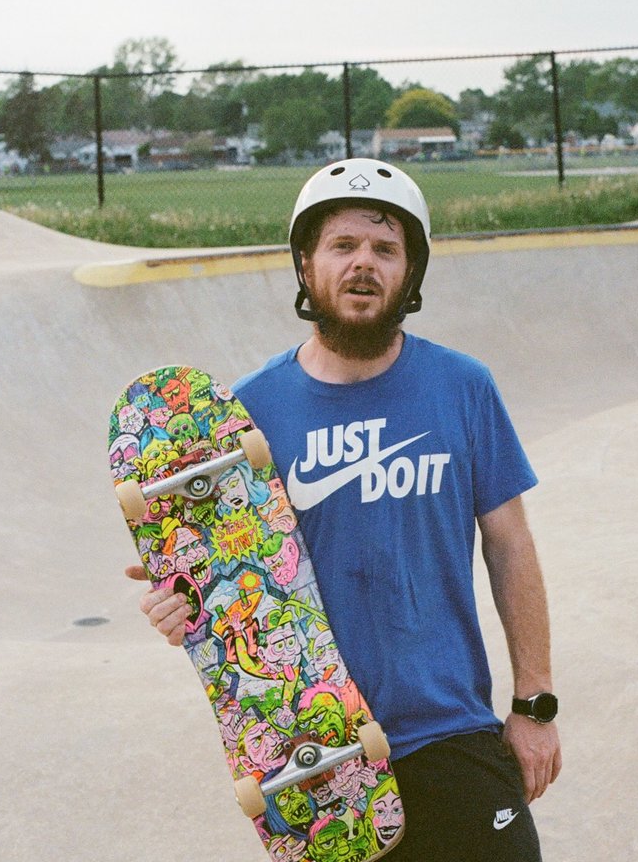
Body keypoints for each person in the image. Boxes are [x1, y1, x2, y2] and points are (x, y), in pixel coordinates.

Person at [127, 157, 561, 860]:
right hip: (321, 759)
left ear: (410, 272)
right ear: (306, 264)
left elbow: (510, 544)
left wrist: (535, 704)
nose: (364, 264)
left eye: (386, 249)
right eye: (343, 246)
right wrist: (181, 605)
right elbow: (220, 577)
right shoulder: (248, 415)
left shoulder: (463, 387)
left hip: (453, 732)